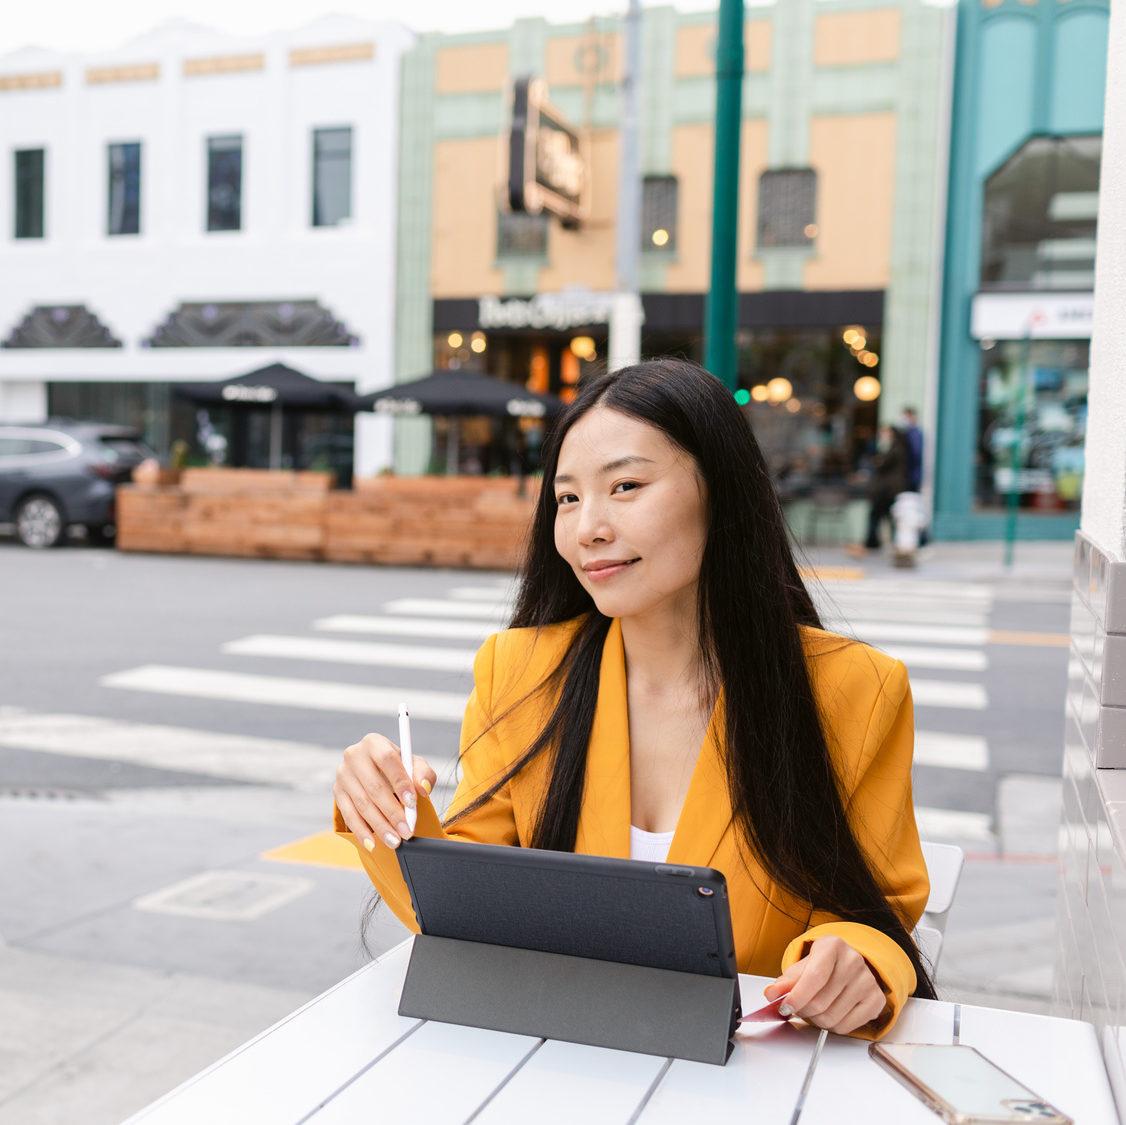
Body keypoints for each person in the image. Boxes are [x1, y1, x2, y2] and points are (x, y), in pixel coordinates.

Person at [332, 359, 934, 1041]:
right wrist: (385, 809)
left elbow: (881, 906)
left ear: (723, 492)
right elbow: (469, 902)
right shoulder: (520, 669)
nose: (588, 527)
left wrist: (859, 963)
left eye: (625, 486)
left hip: (754, 1077)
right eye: (566, 498)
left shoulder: (856, 689)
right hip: (557, 1061)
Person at [847, 423, 910, 555]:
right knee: (884, 517)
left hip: (886, 491)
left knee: (878, 516)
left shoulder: (895, 448)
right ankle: (880, 542)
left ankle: (874, 542)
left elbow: (882, 464)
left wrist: (877, 461)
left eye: (885, 433)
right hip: (887, 490)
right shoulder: (894, 448)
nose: (883, 435)